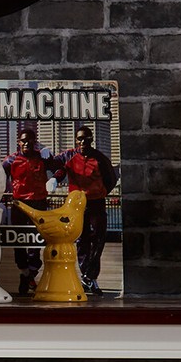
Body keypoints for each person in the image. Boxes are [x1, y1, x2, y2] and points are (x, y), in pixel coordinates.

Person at [52, 125, 117, 296]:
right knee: (82, 241)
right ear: (76, 140)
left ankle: (89, 276)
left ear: (91, 139)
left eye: (86, 139)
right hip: (77, 206)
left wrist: (101, 192)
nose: (83, 142)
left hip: (96, 203)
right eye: (80, 138)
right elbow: (56, 167)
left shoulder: (100, 158)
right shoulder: (69, 155)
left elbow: (111, 178)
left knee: (99, 239)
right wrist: (55, 178)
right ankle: (86, 277)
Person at [2, 127, 55, 297]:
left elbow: (61, 167)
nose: (26, 143)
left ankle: (30, 272)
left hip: (39, 204)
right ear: (19, 142)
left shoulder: (43, 157)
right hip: (19, 205)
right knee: (19, 242)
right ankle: (25, 273)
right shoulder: (11, 160)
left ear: (35, 142)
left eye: (30, 141)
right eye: (23, 140)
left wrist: (53, 172)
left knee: (36, 242)